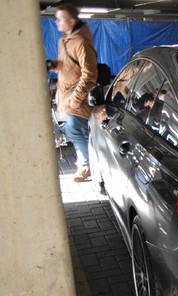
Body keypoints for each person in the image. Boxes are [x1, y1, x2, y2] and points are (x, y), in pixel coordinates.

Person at [47, 4, 98, 182]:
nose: (56, 21)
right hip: (67, 97)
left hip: (77, 99)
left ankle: (88, 166)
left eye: (60, 18)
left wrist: (77, 98)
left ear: (72, 21)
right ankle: (88, 164)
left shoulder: (82, 43)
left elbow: (90, 74)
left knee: (76, 131)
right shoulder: (65, 40)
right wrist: (54, 65)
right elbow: (67, 65)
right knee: (78, 132)